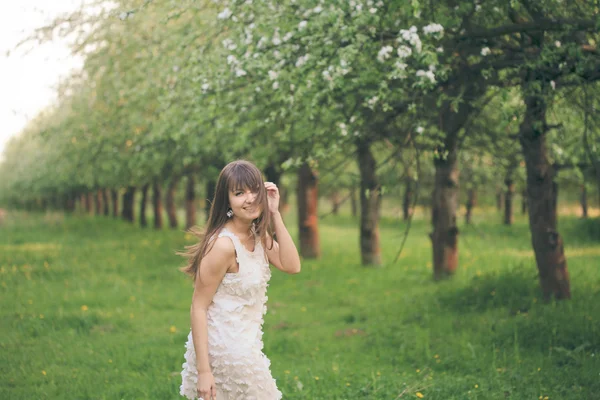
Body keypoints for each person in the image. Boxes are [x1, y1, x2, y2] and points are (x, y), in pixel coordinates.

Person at [179, 160, 301, 400]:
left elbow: (292, 265)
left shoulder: (257, 235)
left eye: (255, 190)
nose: (250, 198)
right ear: (227, 201)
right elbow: (198, 307)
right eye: (239, 193)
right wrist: (204, 371)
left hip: (245, 344)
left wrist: (275, 213)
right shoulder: (223, 245)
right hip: (225, 349)